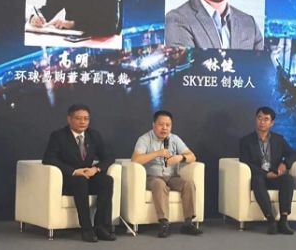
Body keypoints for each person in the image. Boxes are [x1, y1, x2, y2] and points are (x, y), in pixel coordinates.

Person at [42, 104, 116, 243]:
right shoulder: (58, 136)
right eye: (78, 118)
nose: (83, 122)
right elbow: (48, 159)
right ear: (69, 119)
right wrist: (75, 171)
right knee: (80, 181)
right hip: (68, 179)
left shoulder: (93, 135)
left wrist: (95, 169)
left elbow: (108, 157)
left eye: (86, 119)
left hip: (88, 176)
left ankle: (101, 227)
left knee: (106, 181)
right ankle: (86, 229)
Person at [131, 110, 202, 238]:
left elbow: (192, 156)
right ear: (154, 125)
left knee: (189, 184)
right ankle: (164, 223)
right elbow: (135, 160)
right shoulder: (144, 139)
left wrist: (180, 158)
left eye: (168, 125)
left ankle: (188, 223)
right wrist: (157, 153)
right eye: (161, 124)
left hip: (172, 177)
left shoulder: (175, 139)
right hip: (152, 177)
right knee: (159, 184)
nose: (164, 128)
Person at [238, 107, 296, 234]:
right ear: (255, 120)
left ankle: (283, 220)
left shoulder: (278, 139)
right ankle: (271, 220)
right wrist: (266, 174)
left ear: (272, 123)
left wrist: (284, 164)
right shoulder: (246, 141)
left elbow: (293, 154)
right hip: (258, 175)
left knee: (288, 180)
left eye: (266, 119)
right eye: (259, 118)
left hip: (275, 175)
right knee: (257, 180)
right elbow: (245, 162)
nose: (262, 122)